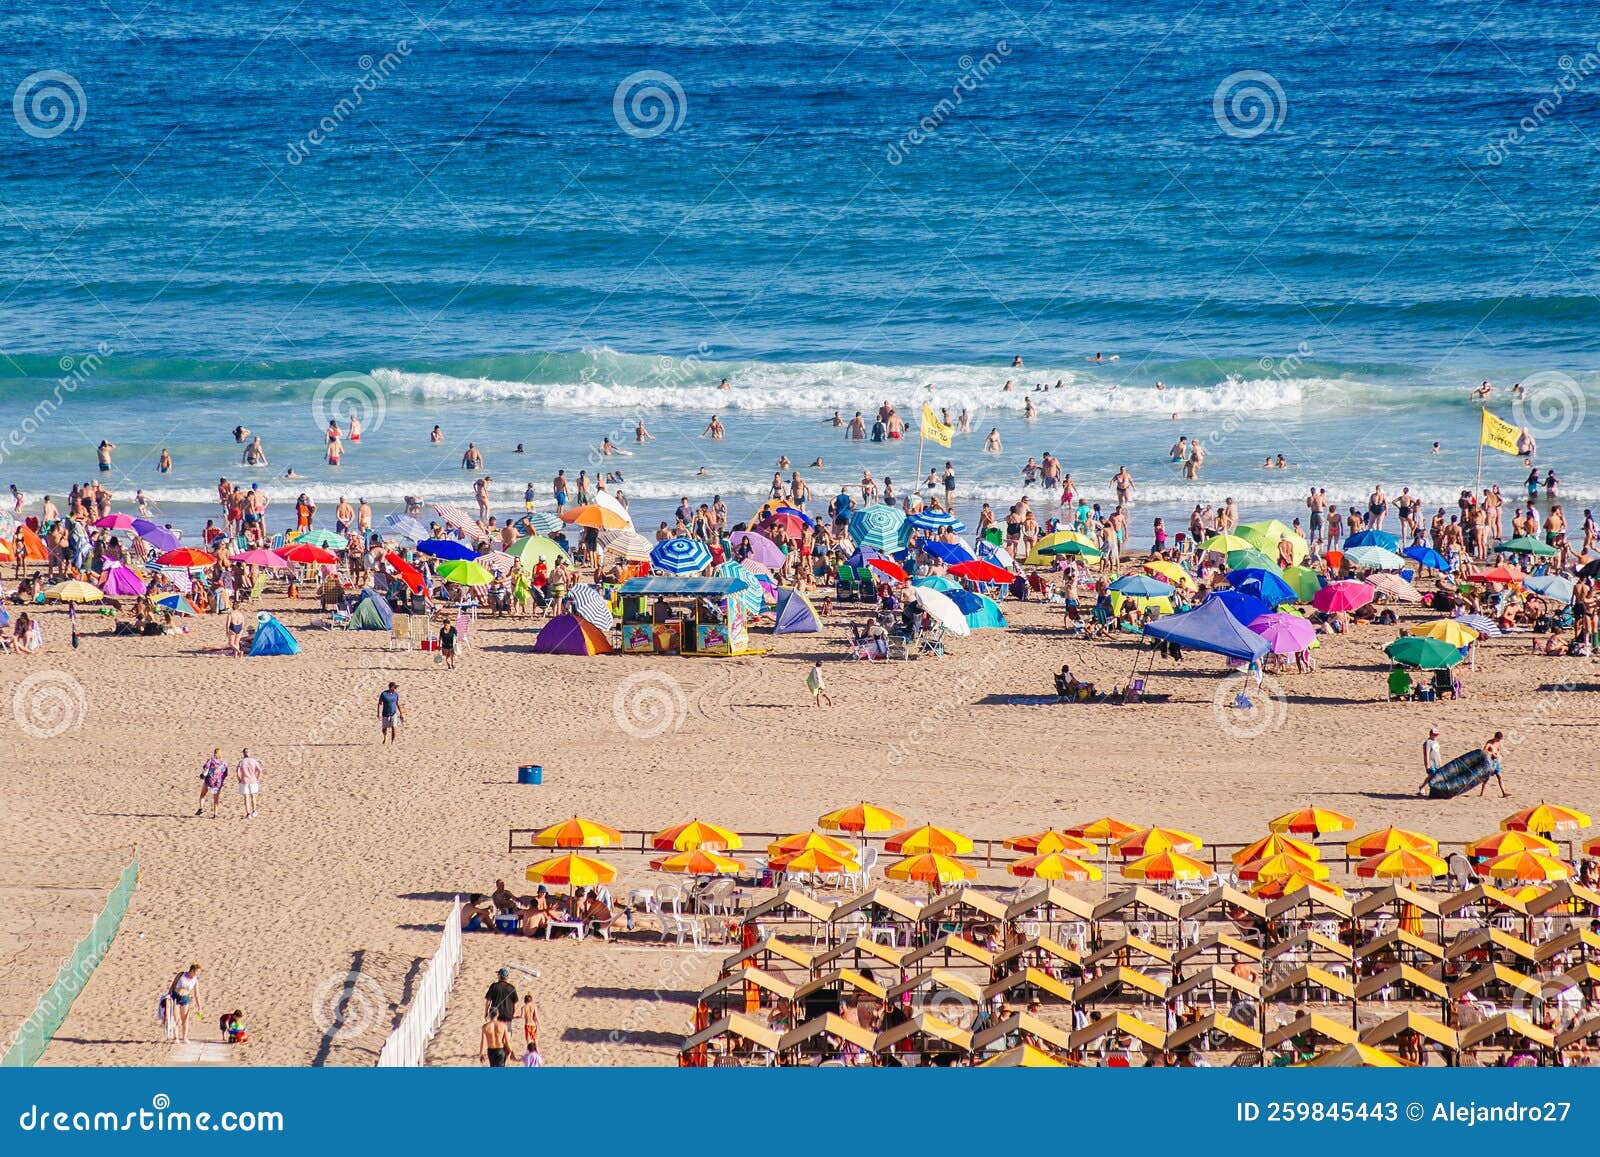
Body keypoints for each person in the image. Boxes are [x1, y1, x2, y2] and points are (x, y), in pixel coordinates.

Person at [168, 964, 201, 1043]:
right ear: (192, 970)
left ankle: (185, 1037)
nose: (198, 974)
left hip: (185, 998)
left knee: (185, 1019)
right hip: (175, 996)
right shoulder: (181, 975)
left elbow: (197, 994)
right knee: (176, 1018)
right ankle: (176, 1037)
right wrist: (168, 996)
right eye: (197, 972)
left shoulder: (195, 980)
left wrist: (199, 1006)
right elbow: (173, 985)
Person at [197, 748, 228, 817]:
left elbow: (205, 767)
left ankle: (201, 808)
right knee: (216, 798)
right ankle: (215, 814)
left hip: (209, 780)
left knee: (203, 794)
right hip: (218, 782)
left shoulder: (211, 760)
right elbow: (225, 773)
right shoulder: (224, 763)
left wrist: (203, 774)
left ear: (214, 753)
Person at [236, 748, 262, 818]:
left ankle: (248, 813)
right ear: (249, 753)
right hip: (253, 780)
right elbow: (260, 770)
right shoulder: (254, 761)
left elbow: (238, 772)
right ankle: (254, 811)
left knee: (246, 797)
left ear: (243, 753)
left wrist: (239, 779)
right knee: (253, 796)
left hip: (244, 781)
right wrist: (257, 777)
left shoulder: (241, 762)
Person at [1481, 731, 1509, 796]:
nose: (1499, 740)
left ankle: (1504, 792)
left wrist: (1498, 755)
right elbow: (1484, 751)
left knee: (1499, 777)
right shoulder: (1489, 743)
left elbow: (1498, 749)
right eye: (1498, 739)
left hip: (1496, 762)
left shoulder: (1498, 743)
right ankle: (1482, 793)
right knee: (1486, 778)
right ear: (1495, 738)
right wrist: (1492, 753)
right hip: (1490, 762)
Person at [1417, 727, 1442, 795]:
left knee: (1432, 776)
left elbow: (1438, 753)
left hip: (1437, 762)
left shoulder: (1436, 742)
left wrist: (1440, 762)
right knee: (1432, 776)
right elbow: (1427, 754)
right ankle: (1423, 788)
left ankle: (1421, 787)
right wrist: (1427, 765)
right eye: (1434, 734)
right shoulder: (1428, 742)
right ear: (1430, 734)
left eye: (1436, 735)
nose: (1435, 736)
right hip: (1431, 763)